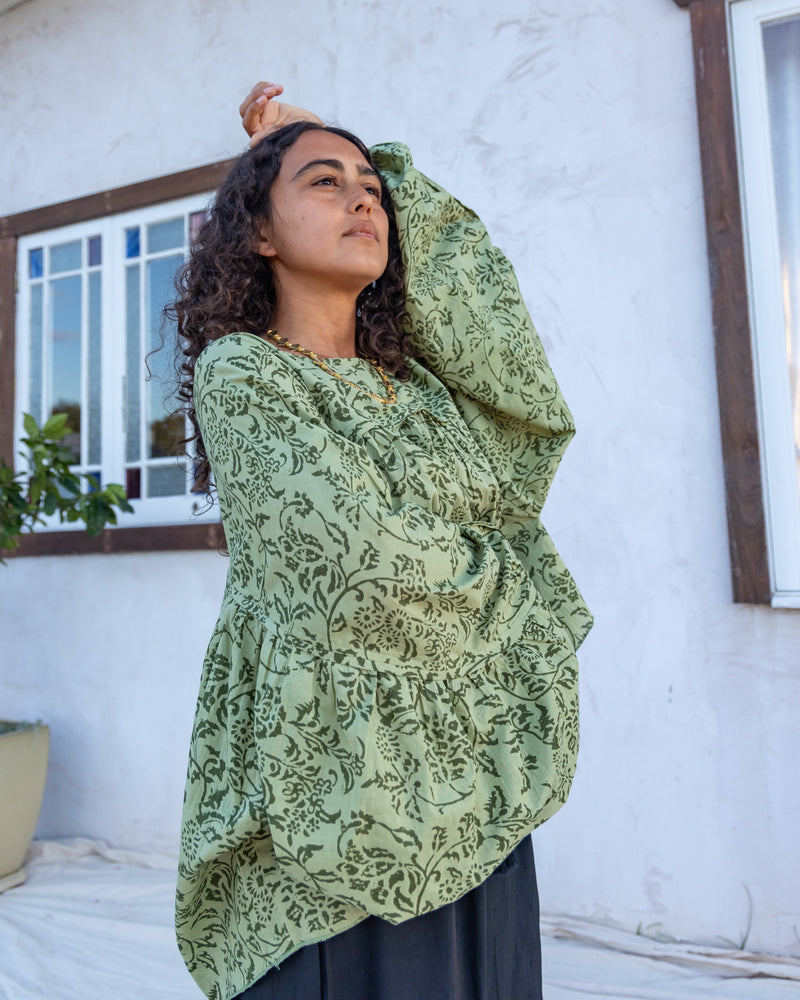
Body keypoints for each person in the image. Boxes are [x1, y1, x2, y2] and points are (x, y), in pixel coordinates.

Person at [174, 81, 592, 1000]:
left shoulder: (427, 391)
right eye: (326, 183)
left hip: (474, 770)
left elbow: (496, 329)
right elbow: (362, 568)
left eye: (372, 187)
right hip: (335, 780)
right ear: (260, 235)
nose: (365, 200)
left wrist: (372, 161)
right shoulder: (245, 374)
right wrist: (515, 586)